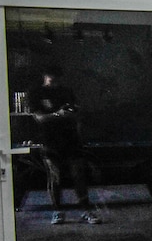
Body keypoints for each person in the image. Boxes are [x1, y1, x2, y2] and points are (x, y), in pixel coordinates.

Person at [28, 66, 100, 225]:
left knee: (79, 175)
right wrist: (57, 114)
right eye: (50, 76)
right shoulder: (35, 93)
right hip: (49, 140)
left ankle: (86, 210)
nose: (53, 80)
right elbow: (39, 118)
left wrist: (74, 115)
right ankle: (57, 211)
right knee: (55, 177)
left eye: (56, 77)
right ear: (44, 75)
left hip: (71, 139)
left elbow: (77, 114)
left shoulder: (66, 91)